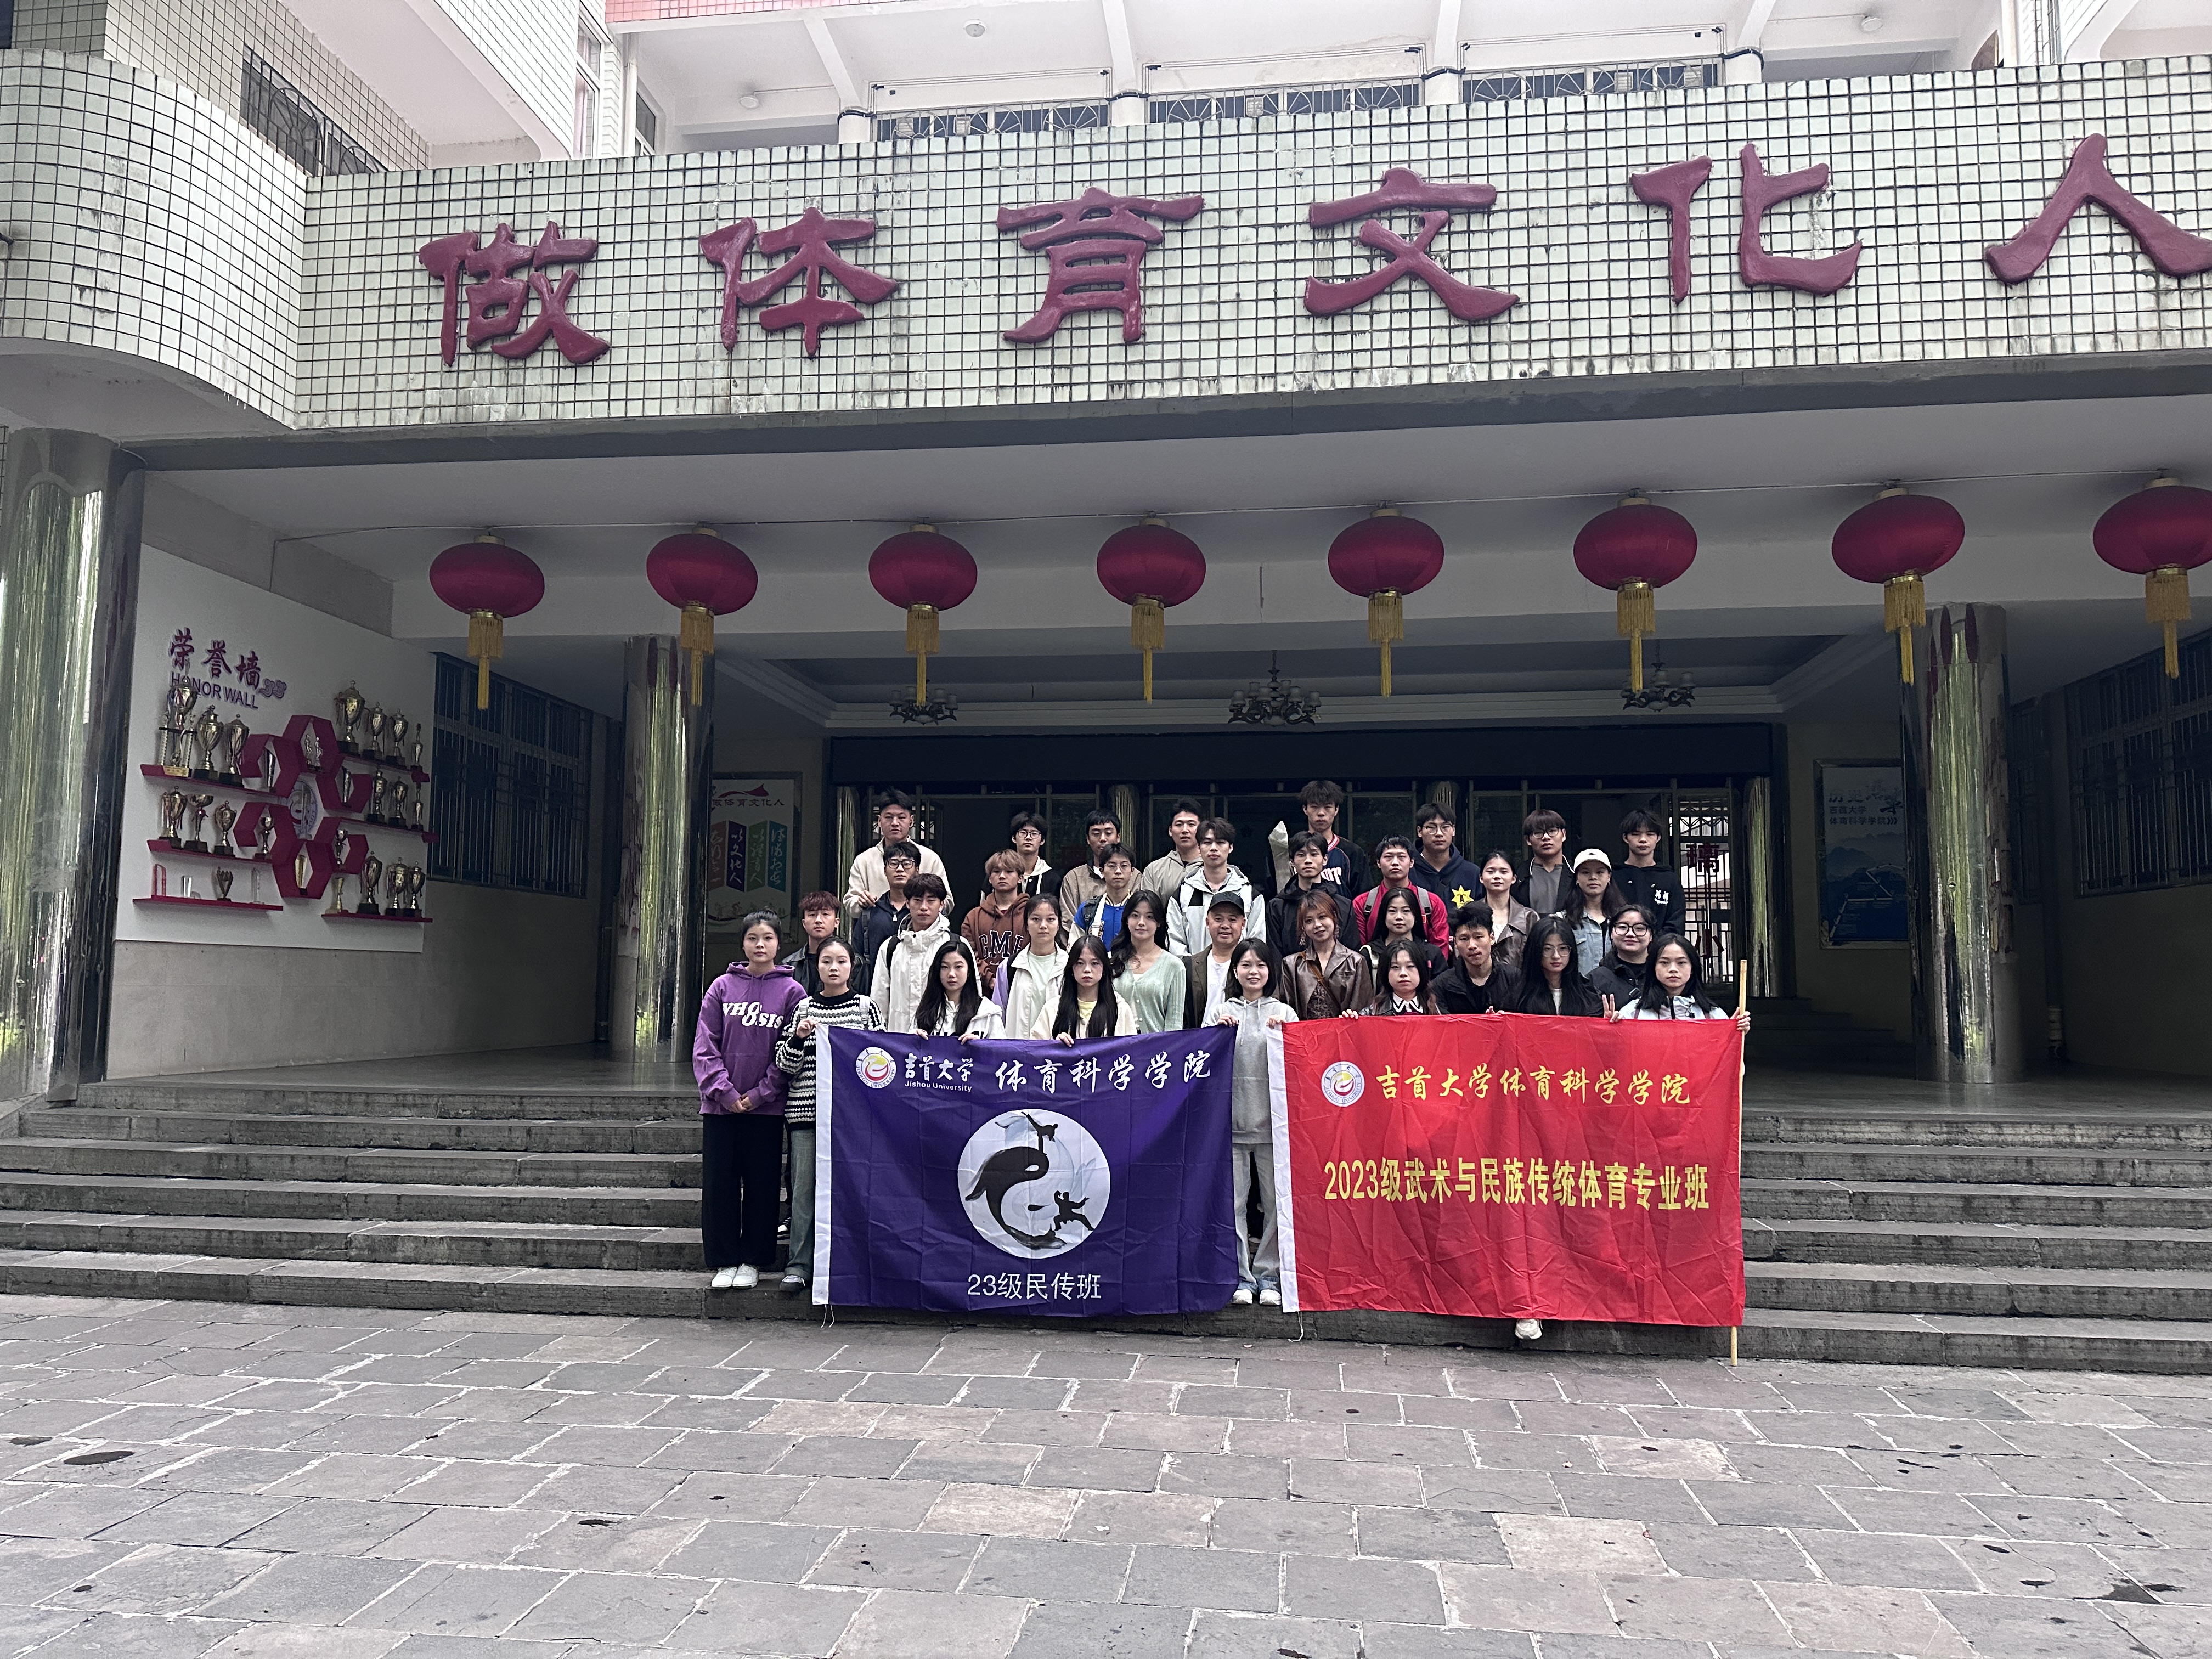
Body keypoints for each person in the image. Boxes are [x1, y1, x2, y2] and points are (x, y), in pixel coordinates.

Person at [692, 910, 808, 1291]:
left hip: (767, 1109)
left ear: (779, 943)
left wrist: (761, 1094)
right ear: (742, 944)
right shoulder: (721, 987)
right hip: (720, 1107)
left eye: (768, 938)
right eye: (753, 938)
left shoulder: (792, 992)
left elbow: (793, 1051)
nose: (760, 945)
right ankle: (724, 1259)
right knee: (720, 1184)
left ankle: (754, 1260)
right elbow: (705, 1045)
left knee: (762, 1183)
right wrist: (724, 1092)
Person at [772, 937, 881, 1295]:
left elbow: (881, 1061)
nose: (833, 968)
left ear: (853, 966)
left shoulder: (866, 1008)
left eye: (841, 961)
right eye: (826, 961)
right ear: (816, 966)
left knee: (852, 1191)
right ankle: (799, 1265)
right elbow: (784, 1065)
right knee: (803, 1192)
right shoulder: (803, 1009)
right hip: (806, 1114)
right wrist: (798, 1038)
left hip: (851, 1120)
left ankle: (850, 1262)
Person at [1213, 939, 1295, 1307]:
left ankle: (1270, 1276)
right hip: (1230, 1126)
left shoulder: (1284, 1012)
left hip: (1274, 1127)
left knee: (1276, 1205)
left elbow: (1300, 1065)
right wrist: (1218, 1034)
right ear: (1235, 971)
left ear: (1270, 971)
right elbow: (1202, 1062)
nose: (1253, 972)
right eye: (1246, 965)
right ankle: (1241, 1277)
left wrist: (1287, 1035)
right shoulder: (1220, 1011)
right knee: (1234, 1206)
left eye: (1261, 965)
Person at [871, 873, 975, 1034]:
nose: (924, 907)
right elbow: (879, 1004)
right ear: (907, 903)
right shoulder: (891, 948)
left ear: (942, 904)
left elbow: (973, 997)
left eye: (931, 901)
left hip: (945, 1041)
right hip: (900, 1039)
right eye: (918, 900)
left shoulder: (957, 945)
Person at [1611, 933, 1752, 1030]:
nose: (1673, 969)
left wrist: (1733, 1033)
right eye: (1664, 962)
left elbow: (1727, 1061)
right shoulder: (1632, 1014)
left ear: (1692, 968)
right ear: (1653, 967)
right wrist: (1611, 1030)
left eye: (1681, 963)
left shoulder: (1713, 1015)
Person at [1168, 819, 1265, 953]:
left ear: (1230, 847)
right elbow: (1175, 943)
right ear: (1199, 848)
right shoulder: (1183, 894)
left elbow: (1257, 943)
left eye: (1220, 842)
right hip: (1193, 967)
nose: (1214, 848)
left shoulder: (1249, 894)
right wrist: (1193, 966)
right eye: (1207, 842)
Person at [844, 791, 948, 916]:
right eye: (889, 817)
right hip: (877, 926)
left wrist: (924, 906)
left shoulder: (930, 858)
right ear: (879, 821)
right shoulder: (864, 860)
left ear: (911, 821)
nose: (895, 823)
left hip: (919, 927)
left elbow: (946, 902)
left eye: (901, 817)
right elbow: (851, 903)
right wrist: (861, 902)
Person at [1285, 890, 1375, 1021]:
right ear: (1303, 927)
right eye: (1309, 921)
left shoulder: (1356, 961)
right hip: (1306, 1032)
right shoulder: (1292, 964)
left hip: (1345, 1031)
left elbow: (1364, 1010)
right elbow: (1287, 1013)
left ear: (1334, 917)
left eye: (1322, 917)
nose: (1317, 925)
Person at [993, 892, 1068, 1041]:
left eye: (1051, 919)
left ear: (1059, 924)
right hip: (1018, 1050)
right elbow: (997, 1017)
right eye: (1036, 919)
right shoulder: (1009, 967)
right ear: (1026, 925)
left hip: (1059, 1050)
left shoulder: (1070, 966)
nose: (1043, 926)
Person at [1352, 836, 1450, 949]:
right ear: (1378, 863)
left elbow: (1440, 949)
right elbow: (1360, 950)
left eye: (1401, 857)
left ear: (1412, 862)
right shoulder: (1362, 904)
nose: (1395, 863)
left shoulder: (1432, 902)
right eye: (1388, 857)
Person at [1111, 890, 1188, 1035]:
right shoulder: (1112, 961)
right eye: (1135, 915)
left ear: (1159, 922)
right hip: (1117, 1044)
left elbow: (1174, 1023)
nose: (1141, 923)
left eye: (1150, 917)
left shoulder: (1175, 966)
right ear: (1127, 919)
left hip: (1156, 1045)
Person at [1268, 831, 1355, 956]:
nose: (1308, 860)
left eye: (1314, 854)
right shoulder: (1277, 907)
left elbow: (1352, 953)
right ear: (1292, 861)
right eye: (1301, 855)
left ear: (1325, 859)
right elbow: (1274, 955)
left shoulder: (1343, 906)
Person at [1278, 779, 1369, 896]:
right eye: (1315, 807)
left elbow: (1362, 898)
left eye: (1327, 807)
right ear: (1305, 809)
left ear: (1336, 810)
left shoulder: (1352, 853)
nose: (1321, 813)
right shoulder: (1287, 851)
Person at [1037, 935, 1137, 1041]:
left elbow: (1132, 1049)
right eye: (1080, 963)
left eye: (1095, 963)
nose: (1087, 970)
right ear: (1071, 968)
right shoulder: (1052, 1008)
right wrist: (1054, 1045)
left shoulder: (1120, 1009)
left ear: (1104, 968)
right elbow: (1035, 1047)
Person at [961, 851, 1030, 993]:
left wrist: (1015, 982)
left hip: (1023, 991)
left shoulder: (1031, 915)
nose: (1002, 876)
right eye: (996, 872)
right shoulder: (973, 917)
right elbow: (968, 954)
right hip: (983, 994)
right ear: (990, 879)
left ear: (1020, 878)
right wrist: (990, 980)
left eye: (1009, 871)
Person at [1513, 918, 1607, 1018]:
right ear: (1536, 951)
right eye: (1548, 949)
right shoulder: (1519, 996)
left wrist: (1606, 1021)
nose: (1556, 956)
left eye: (1563, 948)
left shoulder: (1587, 995)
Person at [1432, 907, 1521, 1014]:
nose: (1472, 946)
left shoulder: (1515, 980)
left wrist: (1505, 1020)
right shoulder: (1441, 986)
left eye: (1478, 937)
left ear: (1492, 938)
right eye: (1464, 939)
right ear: (1455, 943)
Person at [853, 841, 920, 980]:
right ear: (885, 870)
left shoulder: (924, 912)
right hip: (875, 985)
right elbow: (857, 954)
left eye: (907, 864)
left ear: (917, 870)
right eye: (894, 863)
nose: (900, 869)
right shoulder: (870, 912)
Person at [1614, 808, 1686, 936]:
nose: (1643, 839)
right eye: (1636, 834)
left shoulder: (1669, 879)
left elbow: (1676, 923)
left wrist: (1655, 943)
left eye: (1650, 834)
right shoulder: (1613, 876)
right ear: (1625, 838)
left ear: (1658, 838)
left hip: (1660, 947)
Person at [914, 937, 1004, 1039]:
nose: (951, 974)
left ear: (969, 970)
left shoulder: (987, 1012)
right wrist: (912, 1039)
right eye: (945, 967)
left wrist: (980, 1045)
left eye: (958, 967)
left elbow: (1001, 1048)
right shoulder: (926, 1010)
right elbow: (908, 1048)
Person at [1183, 892, 1249, 1028]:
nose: (1225, 925)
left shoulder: (1253, 967)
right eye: (1218, 919)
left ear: (1243, 924)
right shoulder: (1189, 966)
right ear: (1208, 922)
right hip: (1199, 1039)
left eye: (1232, 920)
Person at [1409, 802, 1484, 911]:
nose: (1439, 834)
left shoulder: (1472, 873)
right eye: (1431, 828)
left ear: (1453, 830)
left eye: (1445, 827)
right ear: (1420, 831)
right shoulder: (1408, 872)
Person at [781, 890, 856, 996]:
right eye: (812, 915)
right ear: (804, 923)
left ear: (837, 922)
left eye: (825, 914)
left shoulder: (856, 963)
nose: (818, 920)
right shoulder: (789, 965)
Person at [1055, 809, 1125, 923]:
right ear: (1088, 839)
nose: (1102, 839)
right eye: (1096, 834)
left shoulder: (1134, 876)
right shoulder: (1073, 878)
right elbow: (1069, 923)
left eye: (1108, 833)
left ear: (1118, 837)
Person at [1362, 886, 1443, 982]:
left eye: (1406, 911)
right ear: (1383, 916)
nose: (1399, 917)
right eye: (1392, 911)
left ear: (1416, 916)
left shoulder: (1432, 954)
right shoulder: (1369, 954)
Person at [1565, 848, 1626, 976]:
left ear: (1609, 877)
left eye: (1600, 872)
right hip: (1580, 987)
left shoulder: (1624, 919)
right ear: (1576, 878)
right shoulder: (1564, 920)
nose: (1593, 877)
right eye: (1585, 872)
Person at [1475, 849, 1540, 964]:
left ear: (1514, 878)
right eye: (1491, 872)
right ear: (1481, 878)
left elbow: (1536, 960)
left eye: (1504, 872)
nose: (1497, 876)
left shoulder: (1529, 918)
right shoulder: (1470, 914)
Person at [1588, 904, 1658, 1008]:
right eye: (1622, 927)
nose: (1630, 934)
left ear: (1651, 935)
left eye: (1639, 928)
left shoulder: (1661, 975)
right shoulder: (1595, 979)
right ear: (1612, 933)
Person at [1071, 844, 1140, 947]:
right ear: (1102, 870)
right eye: (1112, 866)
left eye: (1124, 866)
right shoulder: (1088, 910)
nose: (1118, 871)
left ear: (1132, 871)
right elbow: (1075, 950)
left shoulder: (1141, 909)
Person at [1141, 797, 1206, 899]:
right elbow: (1147, 906)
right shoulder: (1154, 870)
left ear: (1202, 830)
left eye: (1191, 824)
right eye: (1179, 825)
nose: (1185, 830)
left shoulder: (1213, 866)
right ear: (1170, 831)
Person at [1513, 809, 1571, 916]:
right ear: (1528, 840)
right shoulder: (1518, 876)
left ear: (1564, 835)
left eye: (1552, 831)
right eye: (1538, 833)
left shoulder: (1577, 873)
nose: (1546, 837)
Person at [1364, 939, 1442, 1015]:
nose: (1403, 973)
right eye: (1395, 967)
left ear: (1421, 970)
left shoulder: (1435, 1010)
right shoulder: (1371, 1013)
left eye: (1410, 966)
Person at [1008, 810, 1061, 902]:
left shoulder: (1052, 880)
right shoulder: (1000, 875)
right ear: (1014, 838)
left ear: (1042, 840)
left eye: (1034, 834)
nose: (1028, 838)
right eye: (1023, 833)